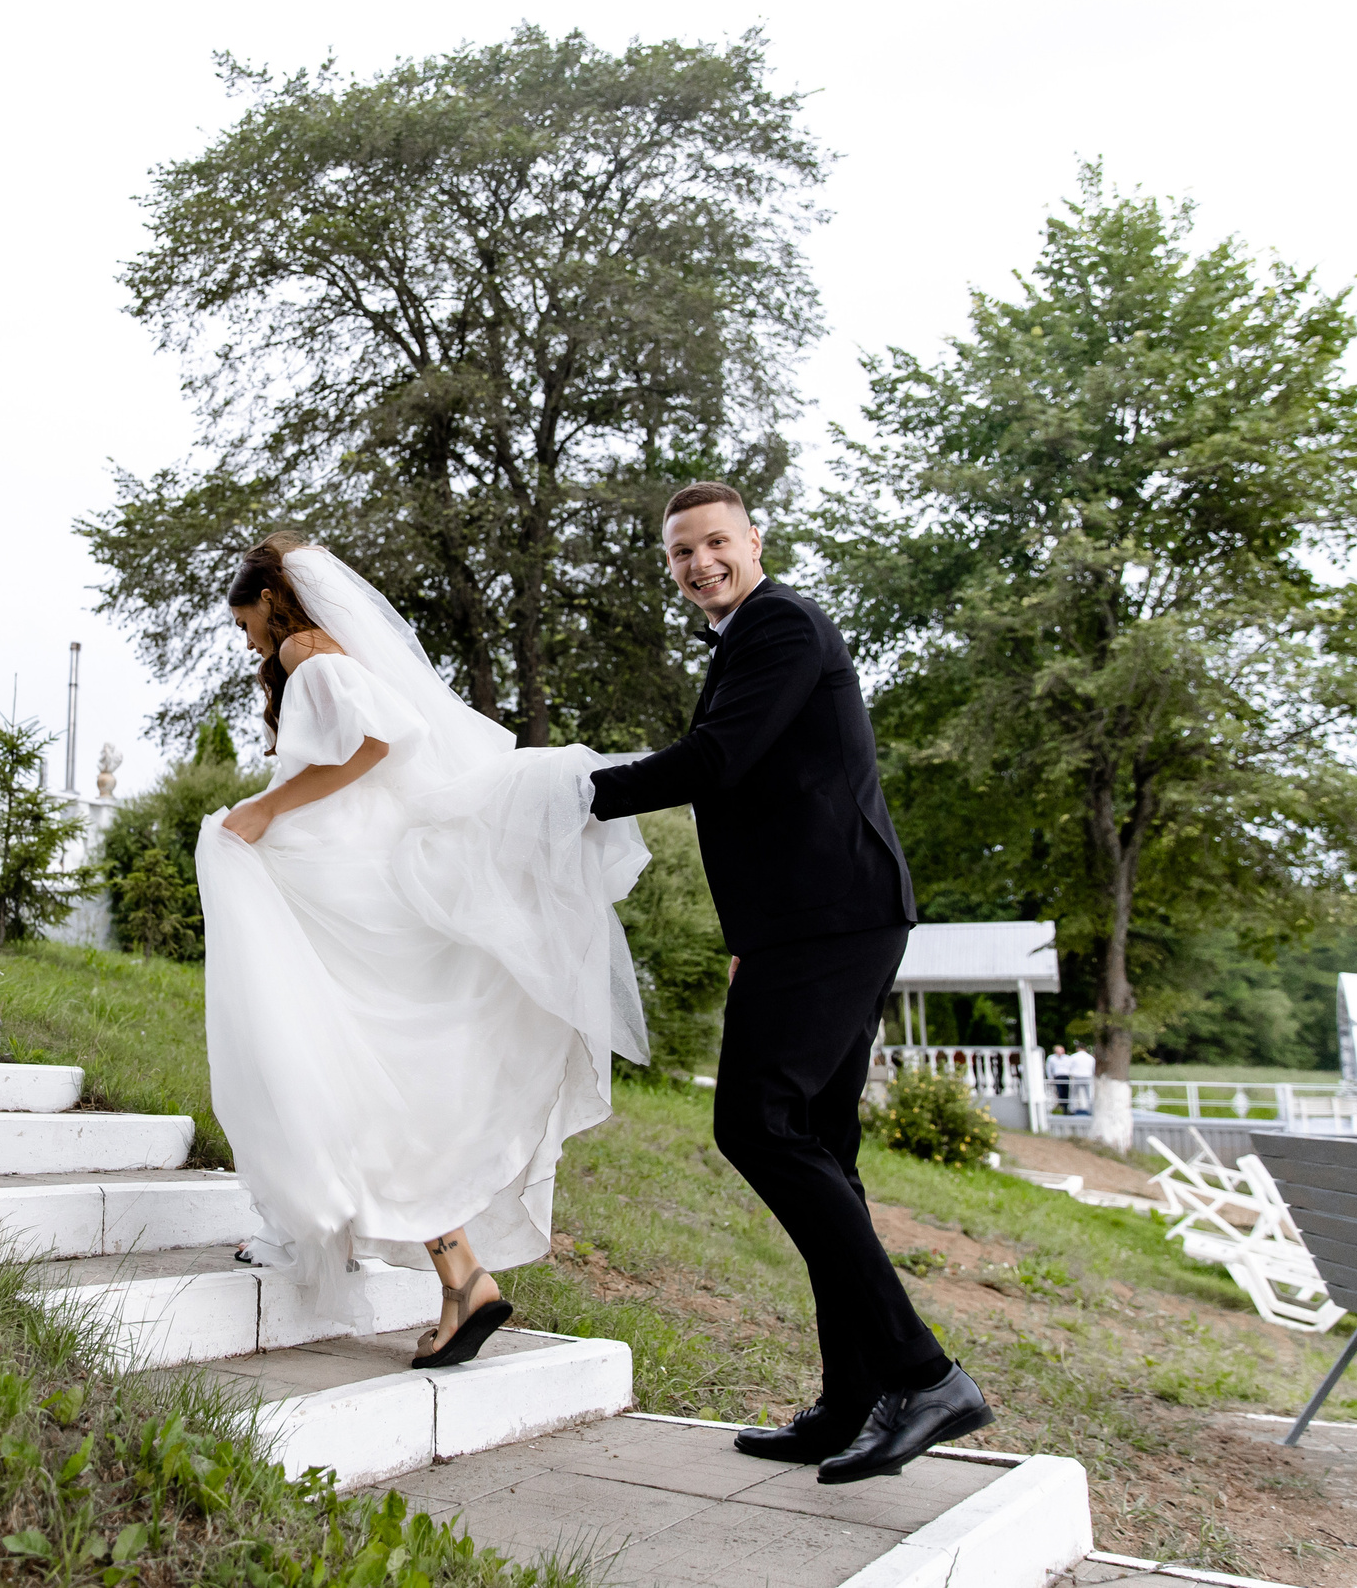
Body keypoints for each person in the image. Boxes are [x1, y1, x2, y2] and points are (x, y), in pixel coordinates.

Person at [586, 481, 994, 1484]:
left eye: (713, 542)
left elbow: (717, 764)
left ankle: (924, 1374)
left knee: (756, 1125)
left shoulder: (780, 625)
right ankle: (853, 1397)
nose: (698, 564)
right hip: (812, 922)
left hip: (833, 918)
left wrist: (574, 790)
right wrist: (751, 931)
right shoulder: (751, 635)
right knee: (822, 1152)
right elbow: (766, 788)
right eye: (680, 554)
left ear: (752, 541)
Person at [196, 533, 650, 1369]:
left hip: (339, 875)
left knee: (334, 1059)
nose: (249, 640)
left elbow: (382, 741)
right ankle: (455, 1274)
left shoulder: (305, 649)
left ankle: (442, 1270)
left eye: (245, 622)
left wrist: (265, 811)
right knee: (360, 1068)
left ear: (273, 601)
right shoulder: (320, 652)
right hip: (351, 870)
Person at [1047, 1044, 1073, 1115]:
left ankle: (1065, 1108)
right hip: (1057, 1076)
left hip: (1066, 1076)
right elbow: (1049, 1069)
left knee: (1066, 1092)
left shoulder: (1067, 1058)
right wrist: (1050, 1078)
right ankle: (1060, 1107)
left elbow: (1070, 1067)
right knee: (1059, 1092)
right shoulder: (1051, 1058)